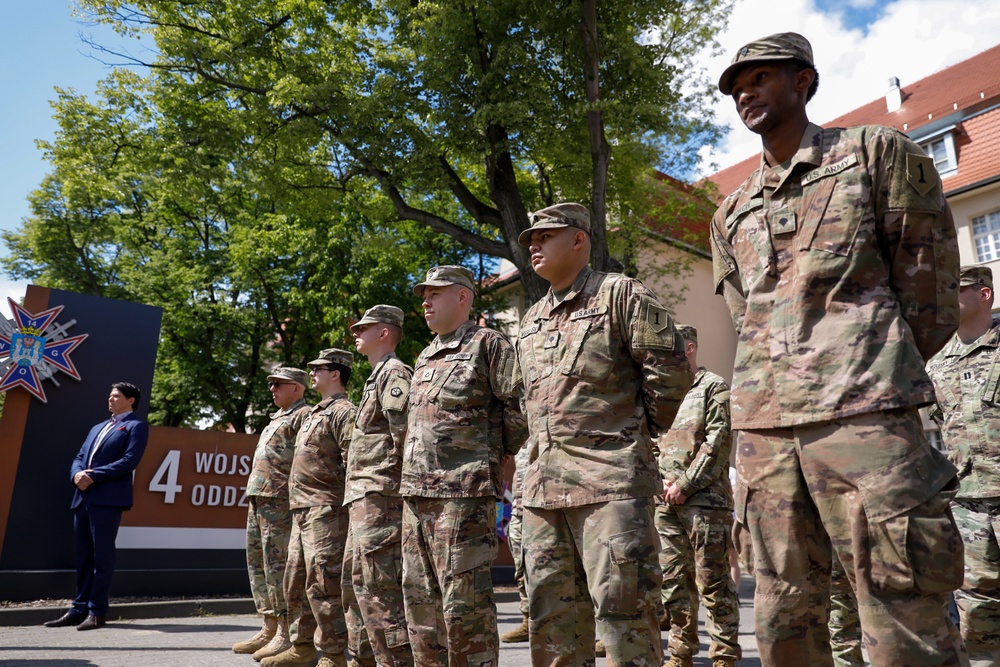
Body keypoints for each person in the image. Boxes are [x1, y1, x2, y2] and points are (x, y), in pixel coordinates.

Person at [711, 31, 965, 666]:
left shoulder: (876, 153)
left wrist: (870, 367)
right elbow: (745, 319)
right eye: (737, 87)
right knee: (780, 614)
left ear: (803, 81)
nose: (746, 92)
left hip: (866, 417)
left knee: (901, 607)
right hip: (767, 435)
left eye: (761, 78)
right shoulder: (732, 211)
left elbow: (928, 291)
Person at [515, 202, 692, 666]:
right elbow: (526, 403)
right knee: (552, 629)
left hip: (609, 486)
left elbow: (670, 372)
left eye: (544, 236)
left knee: (624, 622)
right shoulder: (530, 319)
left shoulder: (620, 295)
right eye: (530, 240)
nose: (534, 245)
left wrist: (632, 434)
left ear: (578, 240)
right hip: (542, 494)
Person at [401, 265, 526, 666]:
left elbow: (519, 409)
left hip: (464, 495)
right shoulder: (424, 354)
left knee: (464, 606)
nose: (426, 301)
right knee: (420, 602)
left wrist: (492, 458)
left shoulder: (489, 344)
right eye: (425, 294)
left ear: (463, 297)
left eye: (435, 293)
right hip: (416, 496)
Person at [263, 350, 357, 667]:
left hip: (326, 510)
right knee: (295, 582)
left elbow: (353, 463)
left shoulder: (345, 413)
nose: (312, 372)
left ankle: (332, 653)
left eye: (319, 368)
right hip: (301, 510)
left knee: (323, 583)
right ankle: (302, 646)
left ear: (336, 373)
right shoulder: (315, 413)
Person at [927, 265, 1000, 667]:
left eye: (956, 290)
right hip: (967, 505)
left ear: (983, 294)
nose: (946, 299)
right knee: (976, 610)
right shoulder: (936, 364)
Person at [657, 324, 740, 667]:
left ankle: (723, 656)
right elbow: (650, 441)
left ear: (689, 347)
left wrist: (685, 485)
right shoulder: (660, 393)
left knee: (713, 583)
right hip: (664, 502)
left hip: (705, 503)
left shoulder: (713, 387)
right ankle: (680, 654)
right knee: (674, 584)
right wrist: (659, 483)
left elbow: (718, 445)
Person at [43, 382, 149, 631]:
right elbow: (79, 457)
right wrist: (76, 475)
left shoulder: (136, 427)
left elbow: (129, 461)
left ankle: (97, 612)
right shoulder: (97, 428)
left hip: (107, 500)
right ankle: (78, 609)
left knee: (102, 556)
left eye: (116, 396)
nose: (110, 399)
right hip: (83, 498)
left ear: (131, 400)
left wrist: (93, 475)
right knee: (83, 556)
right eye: (110, 395)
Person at [345, 304, 415, 667]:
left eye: (363, 328)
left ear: (384, 333)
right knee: (361, 585)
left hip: (382, 496)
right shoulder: (375, 377)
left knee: (381, 588)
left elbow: (405, 437)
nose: (355, 333)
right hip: (365, 495)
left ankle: (397, 661)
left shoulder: (395, 374)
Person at [233, 367, 310, 660]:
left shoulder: (303, 417)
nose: (272, 389)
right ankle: (269, 624)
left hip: (281, 501)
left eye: (279, 384)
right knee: (259, 565)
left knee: (280, 568)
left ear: (297, 388)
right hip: (259, 498)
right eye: (272, 384)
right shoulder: (276, 418)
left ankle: (286, 633)